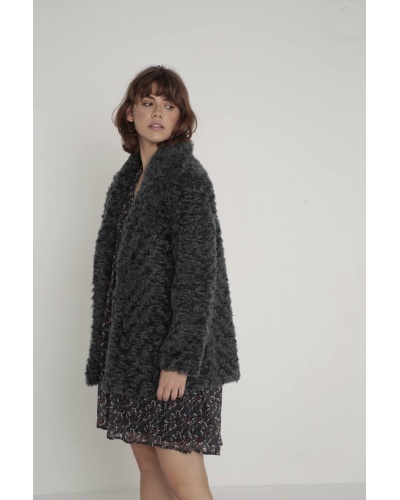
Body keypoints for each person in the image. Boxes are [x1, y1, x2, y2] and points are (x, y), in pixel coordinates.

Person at [85, 65, 240, 500]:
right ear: (130, 112)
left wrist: (179, 361)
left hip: (175, 359)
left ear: (180, 117)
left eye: (169, 105)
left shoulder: (186, 179)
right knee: (150, 465)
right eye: (148, 102)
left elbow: (198, 276)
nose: (157, 112)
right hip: (133, 357)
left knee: (183, 477)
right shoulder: (127, 182)